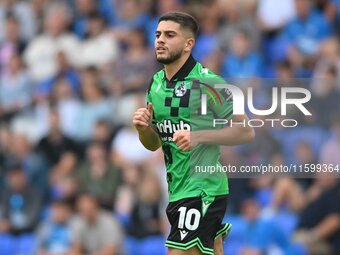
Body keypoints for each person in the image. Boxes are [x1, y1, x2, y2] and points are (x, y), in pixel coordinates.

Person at [132, 12, 255, 255]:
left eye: (169, 35)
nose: (160, 40)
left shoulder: (208, 82)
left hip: (203, 188)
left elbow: (245, 131)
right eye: (157, 35)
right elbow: (154, 144)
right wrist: (143, 129)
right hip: (177, 189)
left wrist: (198, 136)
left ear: (189, 44)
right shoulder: (155, 84)